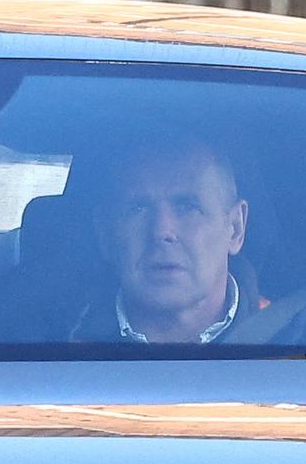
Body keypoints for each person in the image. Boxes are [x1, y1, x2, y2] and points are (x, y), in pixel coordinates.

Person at [70, 135, 259, 344]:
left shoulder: (291, 341)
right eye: (138, 208)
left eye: (187, 207)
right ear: (105, 235)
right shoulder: (49, 349)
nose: (161, 231)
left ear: (235, 228)